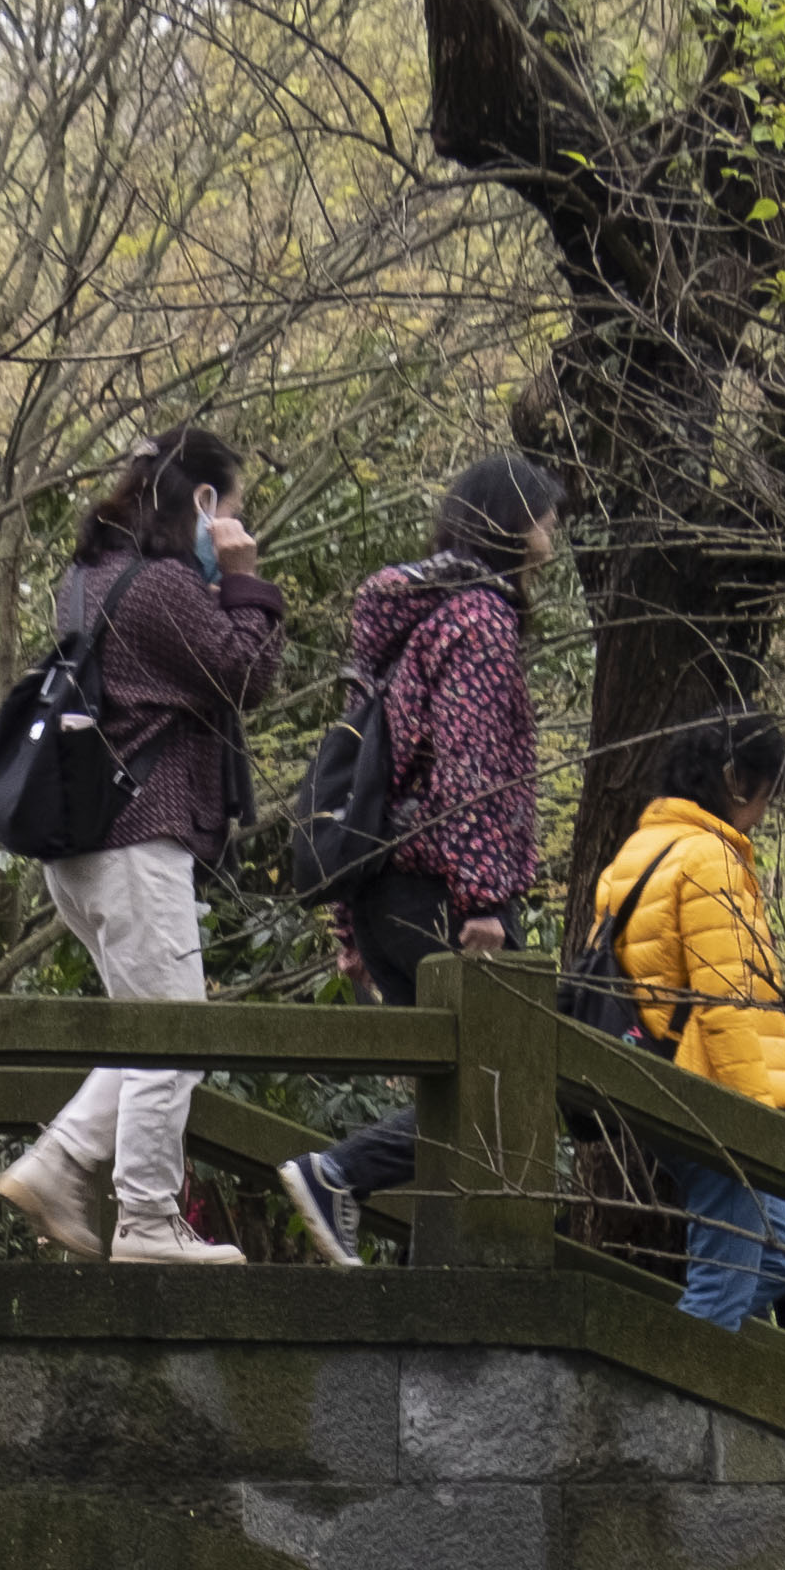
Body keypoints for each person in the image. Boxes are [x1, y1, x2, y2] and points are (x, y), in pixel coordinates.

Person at [0, 427, 286, 1268]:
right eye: (229, 510)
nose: (233, 524)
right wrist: (243, 579)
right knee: (176, 1036)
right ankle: (149, 1222)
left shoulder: (87, 580)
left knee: (154, 1031)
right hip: (136, 837)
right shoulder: (159, 587)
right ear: (201, 502)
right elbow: (245, 676)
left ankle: (55, 1166)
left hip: (85, 848)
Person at [280, 453, 560, 1266]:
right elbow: (471, 770)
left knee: (463, 1083)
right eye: (544, 516)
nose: (551, 533)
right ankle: (339, 1174)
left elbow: (361, 782)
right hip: (436, 887)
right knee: (496, 1087)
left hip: (382, 893)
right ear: (511, 522)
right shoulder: (477, 622)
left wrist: (346, 922)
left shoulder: (409, 629)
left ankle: (418, 1255)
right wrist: (483, 900)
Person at [593, 708, 785, 1330]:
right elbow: (728, 998)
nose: (764, 815)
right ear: (736, 781)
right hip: (707, 1090)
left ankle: (694, 1380)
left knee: (784, 1255)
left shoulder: (637, 851)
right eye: (766, 795)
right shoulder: (711, 857)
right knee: (721, 1283)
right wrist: (754, 1115)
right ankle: (666, 1411)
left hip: (654, 1074)